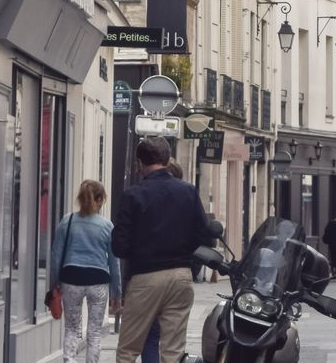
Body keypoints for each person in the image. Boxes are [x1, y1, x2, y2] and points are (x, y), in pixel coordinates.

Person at [112, 137, 220, 363]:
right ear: (166, 159)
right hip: (180, 276)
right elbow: (205, 237)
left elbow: (119, 247)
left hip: (145, 278)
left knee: (128, 350)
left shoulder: (133, 195)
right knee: (173, 352)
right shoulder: (188, 191)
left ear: (140, 163)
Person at [49, 180, 122, 363]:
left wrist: (54, 284)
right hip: (98, 280)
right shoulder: (107, 226)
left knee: (72, 328)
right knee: (95, 331)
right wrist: (116, 292)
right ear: (100, 200)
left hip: (71, 278)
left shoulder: (67, 221)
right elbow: (114, 262)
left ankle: (69, 359)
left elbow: (56, 256)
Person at [140, 163, 186, 363]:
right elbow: (200, 235)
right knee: (173, 340)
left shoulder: (144, 197)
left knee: (151, 336)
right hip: (178, 278)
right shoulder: (187, 198)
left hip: (148, 276)